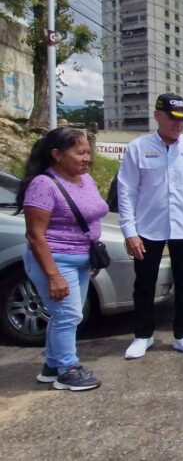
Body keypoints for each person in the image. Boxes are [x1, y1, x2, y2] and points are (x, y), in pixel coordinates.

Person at [119, 94, 183, 359]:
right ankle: (143, 335)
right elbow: (126, 191)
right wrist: (129, 231)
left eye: (182, 120)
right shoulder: (138, 148)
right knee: (144, 284)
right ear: (157, 116)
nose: (178, 125)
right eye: (173, 119)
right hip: (148, 228)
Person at [18, 128, 107, 390]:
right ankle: (68, 368)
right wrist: (53, 275)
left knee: (69, 314)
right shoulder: (43, 185)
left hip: (80, 258)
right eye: (79, 153)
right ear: (57, 154)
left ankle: (52, 363)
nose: (86, 159)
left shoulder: (85, 180)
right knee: (67, 316)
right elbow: (35, 235)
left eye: (88, 152)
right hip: (56, 260)